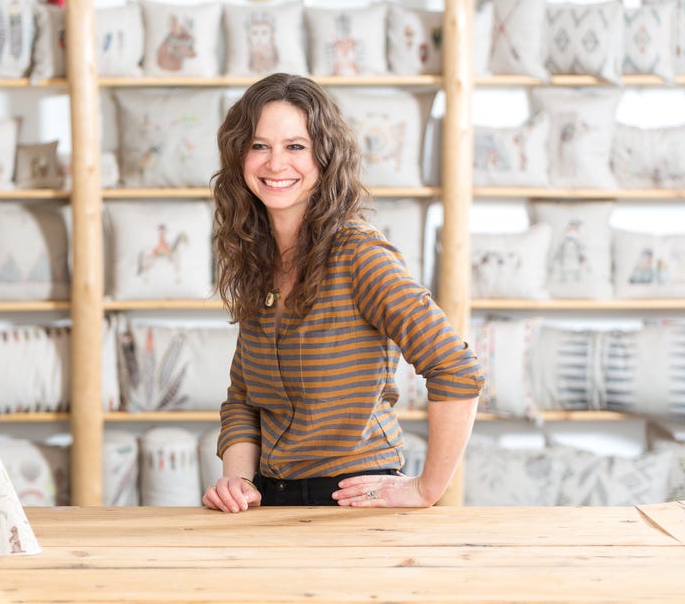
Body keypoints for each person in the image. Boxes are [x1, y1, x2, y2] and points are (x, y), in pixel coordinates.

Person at [203, 73, 485, 512]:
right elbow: (244, 396)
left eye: (296, 146)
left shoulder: (359, 254)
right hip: (270, 502)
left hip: (354, 503)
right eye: (260, 145)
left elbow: (456, 369)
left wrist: (427, 489)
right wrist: (237, 481)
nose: (276, 163)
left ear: (325, 156)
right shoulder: (259, 261)